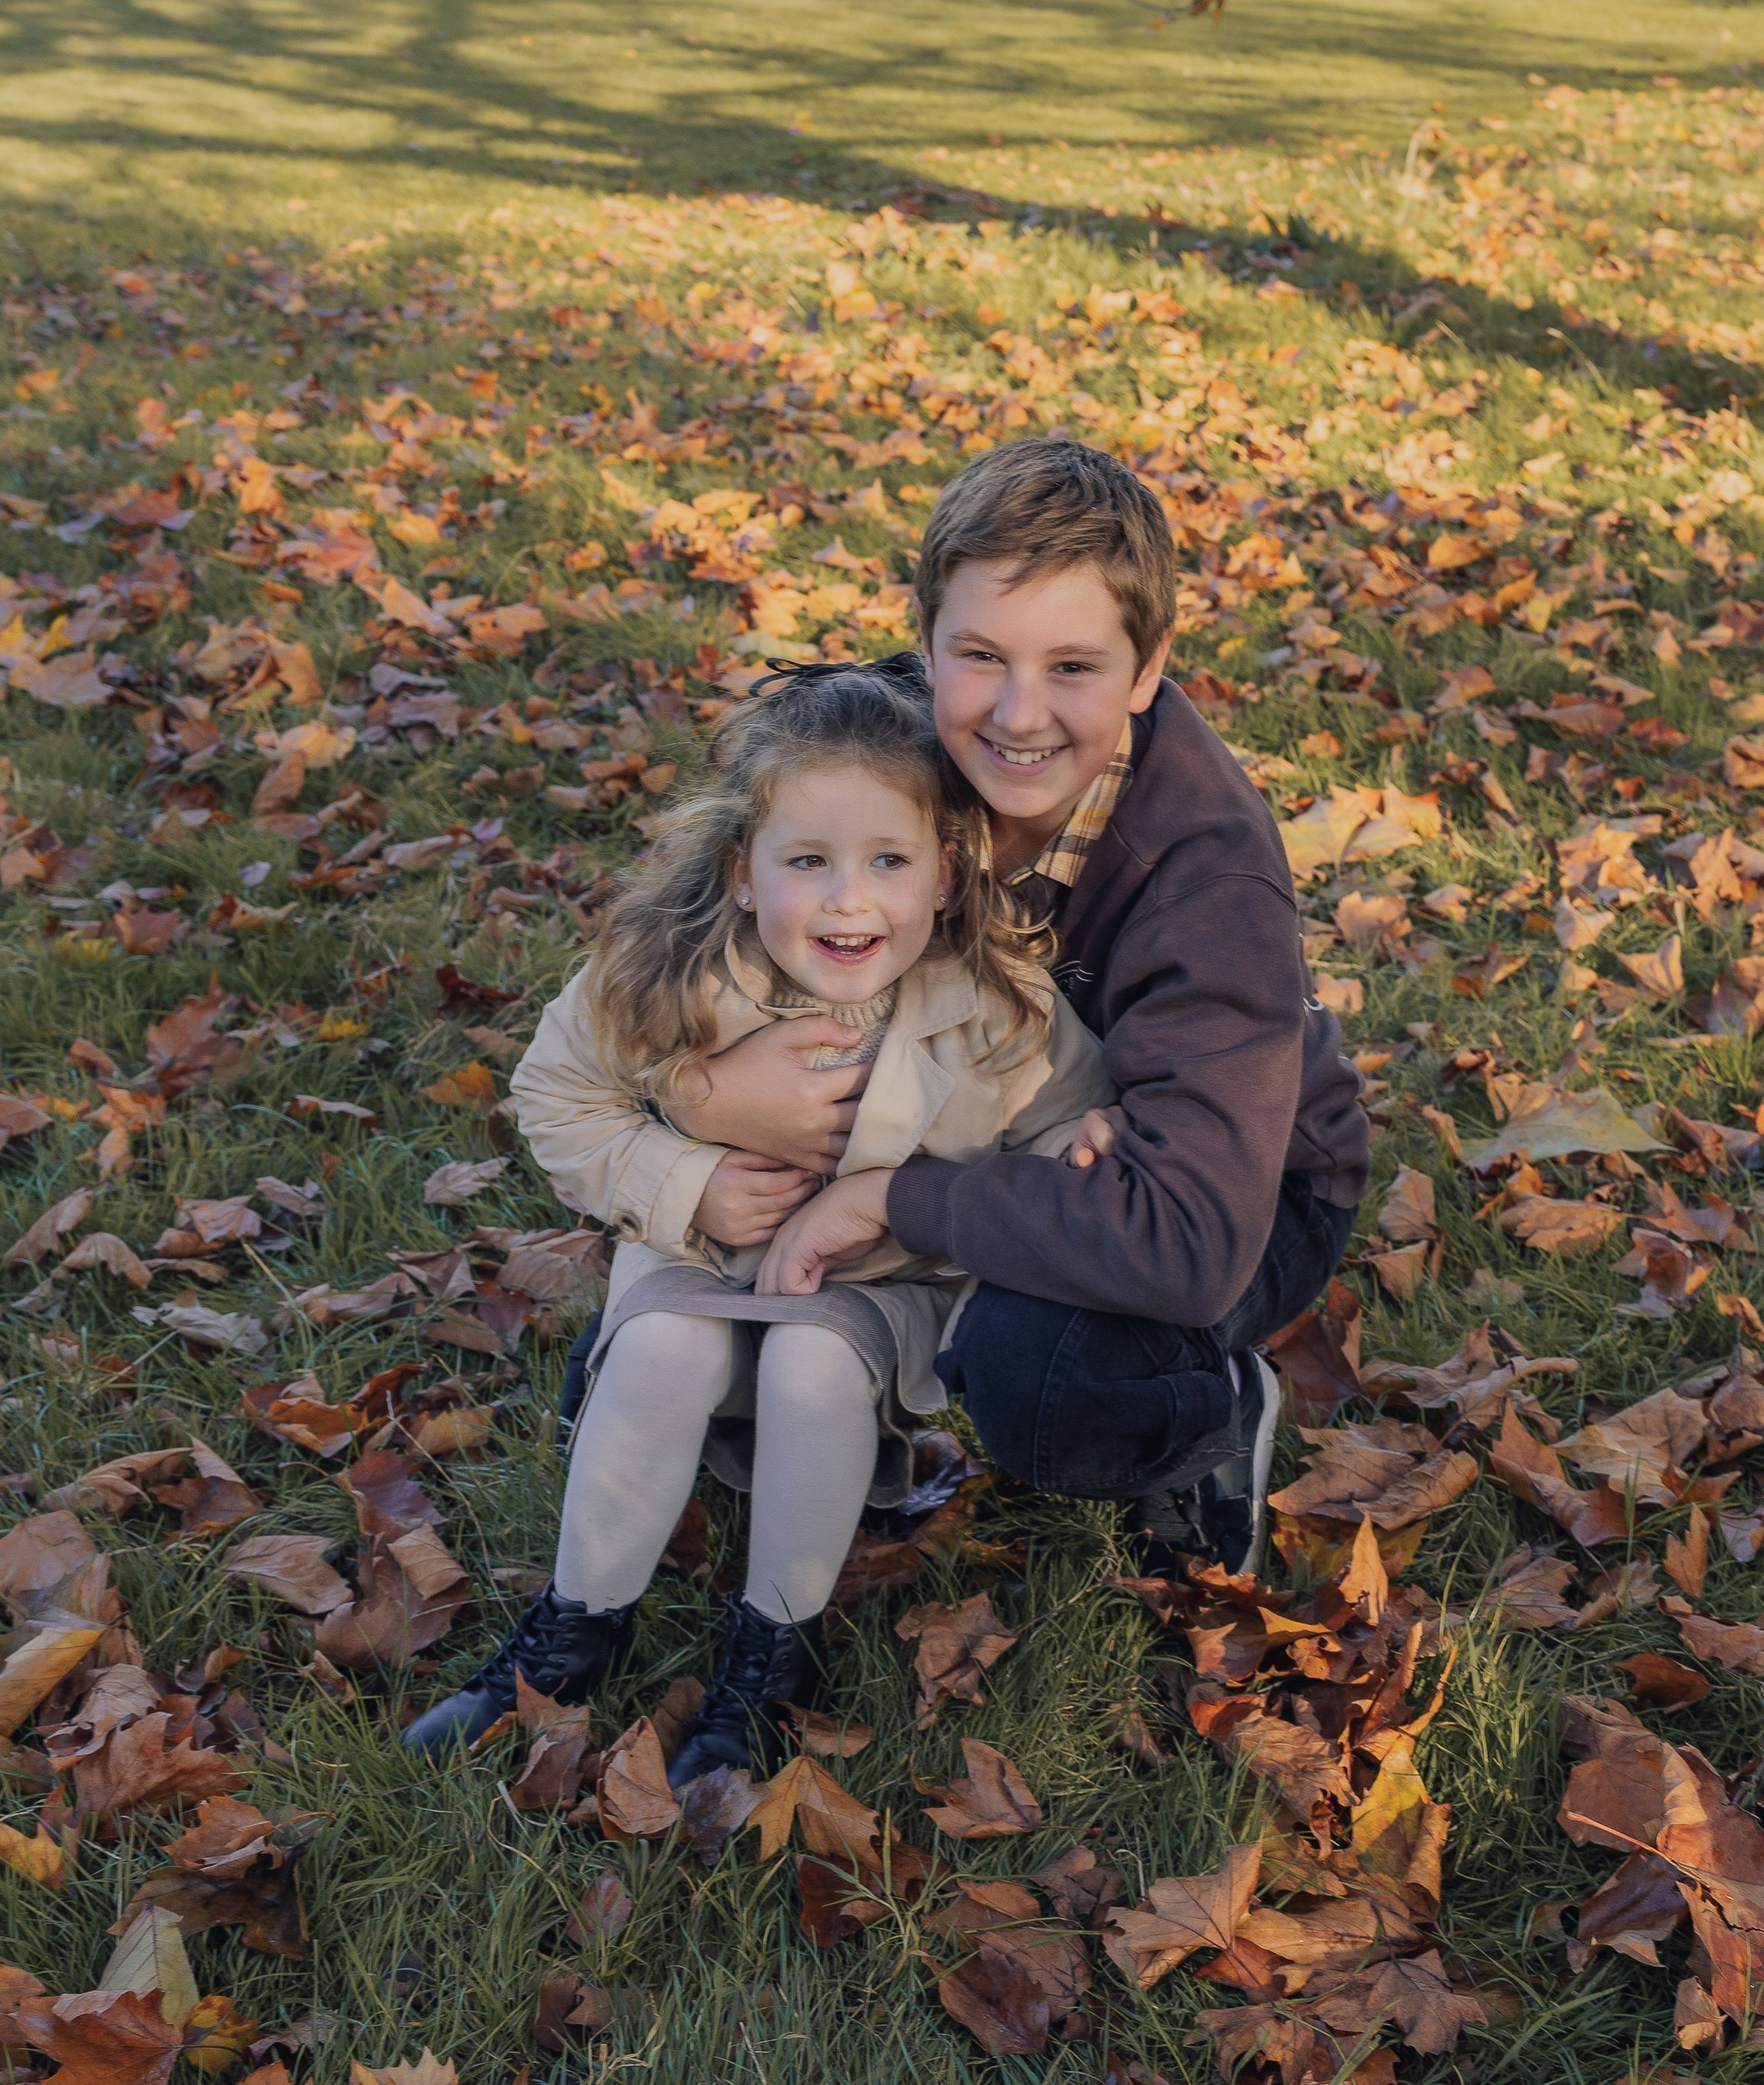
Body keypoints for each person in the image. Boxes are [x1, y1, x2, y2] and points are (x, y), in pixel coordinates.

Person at [674, 438, 1368, 1577]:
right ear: (927, 638)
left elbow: (1189, 1244)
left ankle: (1213, 1425)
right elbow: (667, 955)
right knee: (650, 1349)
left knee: (1039, 1372)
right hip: (976, 1116)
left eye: (1075, 669)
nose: (1018, 714)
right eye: (981, 656)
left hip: (1233, 1185)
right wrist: (702, 1086)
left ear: (1148, 671)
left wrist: (889, 1199)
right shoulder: (881, 745)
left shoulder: (1208, 876)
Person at [401, 659, 1111, 1771]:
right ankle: (566, 1637)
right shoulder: (666, 972)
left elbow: (1072, 1139)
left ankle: (770, 1655)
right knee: (664, 1350)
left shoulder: (997, 1013)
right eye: (808, 863)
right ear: (742, 873)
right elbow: (554, 1090)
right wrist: (687, 1179)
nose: (848, 900)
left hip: (876, 1290)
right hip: (703, 1260)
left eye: (889, 861)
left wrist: (1085, 1143)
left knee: (812, 1371)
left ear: (944, 874)